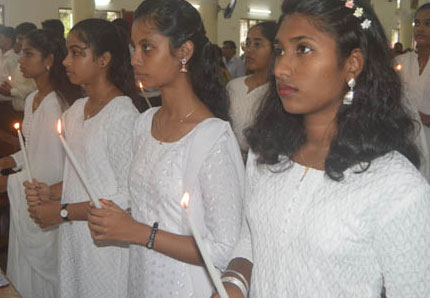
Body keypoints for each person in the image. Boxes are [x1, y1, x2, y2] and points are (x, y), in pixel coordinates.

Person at [215, 0, 430, 297]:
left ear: (352, 64)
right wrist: (234, 284)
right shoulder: (267, 152)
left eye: (303, 49)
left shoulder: (396, 187)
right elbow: (252, 237)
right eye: (280, 51)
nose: (281, 69)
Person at [87, 0, 245, 297]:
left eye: (147, 47)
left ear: (184, 52)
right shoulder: (144, 123)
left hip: (185, 286)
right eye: (134, 47)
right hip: (141, 279)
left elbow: (225, 249)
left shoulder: (212, 138)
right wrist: (114, 216)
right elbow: (148, 207)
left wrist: (138, 232)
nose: (134, 60)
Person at [25, 19, 139, 298]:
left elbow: (127, 197)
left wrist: (63, 212)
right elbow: (81, 178)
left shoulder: (122, 115)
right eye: (67, 52)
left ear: (103, 59)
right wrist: (50, 193)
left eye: (77, 53)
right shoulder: (75, 111)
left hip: (106, 243)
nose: (65, 61)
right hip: (74, 236)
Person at [0, 29, 83, 298]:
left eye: (28, 53)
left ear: (49, 60)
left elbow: (50, 169)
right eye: (22, 52)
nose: (21, 60)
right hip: (28, 190)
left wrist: (6, 182)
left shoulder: (54, 104)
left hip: (43, 196)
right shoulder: (31, 99)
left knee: (43, 278)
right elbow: (32, 150)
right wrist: (7, 161)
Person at [228, 21, 277, 159]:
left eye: (257, 44)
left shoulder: (277, 93)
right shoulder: (233, 86)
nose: (249, 50)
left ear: (275, 49)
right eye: (247, 43)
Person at [396, 3, 430, 182]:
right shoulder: (401, 61)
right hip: (406, 139)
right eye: (417, 24)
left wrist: (423, 118)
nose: (420, 29)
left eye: (428, 23)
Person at [0, 22, 37, 111]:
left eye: (21, 38)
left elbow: (33, 88)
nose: (18, 42)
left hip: (22, 108)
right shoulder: (19, 58)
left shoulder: (15, 59)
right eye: (18, 38)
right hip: (15, 106)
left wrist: (11, 91)